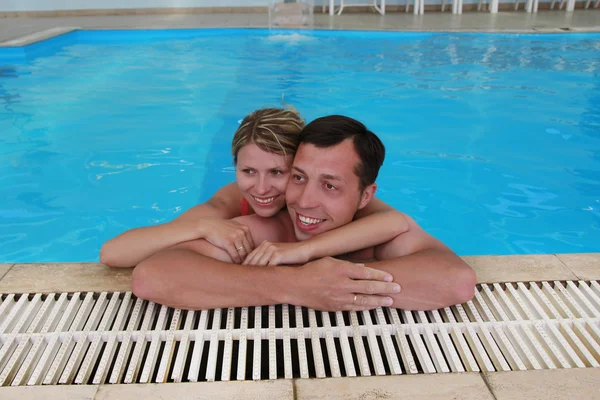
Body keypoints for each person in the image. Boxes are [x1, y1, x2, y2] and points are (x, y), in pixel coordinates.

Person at [131, 115, 477, 312]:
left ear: (364, 197)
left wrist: (325, 279)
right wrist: (296, 284)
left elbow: (455, 280)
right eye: (298, 177)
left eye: (330, 186)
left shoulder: (377, 231)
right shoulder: (268, 230)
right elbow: (155, 275)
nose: (304, 201)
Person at [101, 108, 411, 269]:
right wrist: (201, 227)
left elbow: (395, 222)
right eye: (248, 171)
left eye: (279, 172)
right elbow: (112, 253)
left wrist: (304, 250)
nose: (261, 188)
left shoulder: (325, 193)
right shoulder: (228, 203)